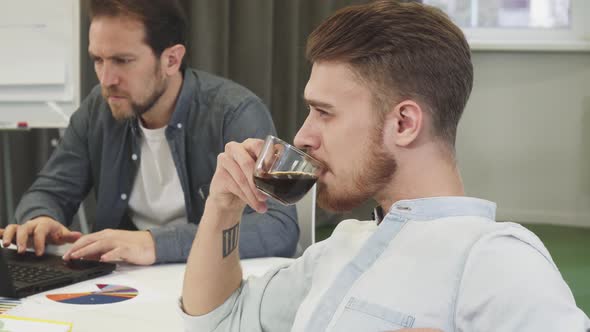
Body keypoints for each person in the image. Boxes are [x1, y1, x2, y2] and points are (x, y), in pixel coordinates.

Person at [179, 1, 590, 331]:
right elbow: (219, 319)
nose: (302, 136)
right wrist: (223, 208)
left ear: (404, 123)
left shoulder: (494, 260)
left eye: (324, 112)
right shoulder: (340, 247)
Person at [0, 0, 298, 265]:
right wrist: (41, 217)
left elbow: (278, 226)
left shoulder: (235, 111)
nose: (106, 79)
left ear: (171, 60)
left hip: (210, 286)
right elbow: (51, 190)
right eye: (98, 60)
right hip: (127, 286)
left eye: (122, 61)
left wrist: (155, 242)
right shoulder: (99, 108)